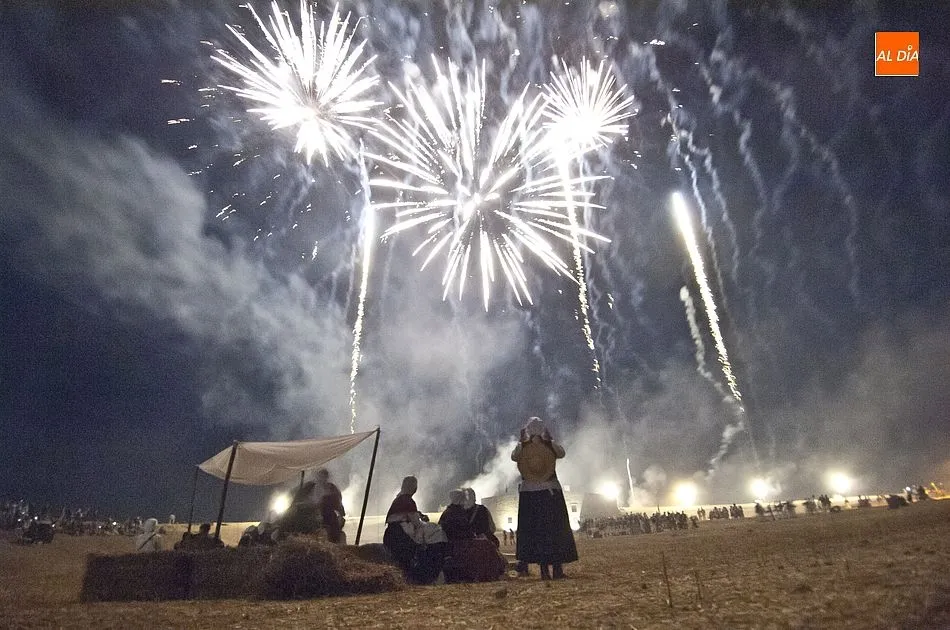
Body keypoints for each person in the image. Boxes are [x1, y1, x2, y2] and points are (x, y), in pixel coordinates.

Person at [511, 416, 578, 580]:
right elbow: (561, 453)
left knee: (536, 533)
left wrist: (522, 441)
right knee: (555, 532)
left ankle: (544, 571)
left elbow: (514, 456)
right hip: (550, 493)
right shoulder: (549, 444)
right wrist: (550, 439)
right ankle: (557, 569)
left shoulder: (523, 446)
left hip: (530, 495)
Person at [383, 476, 447, 584]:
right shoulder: (408, 501)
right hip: (401, 537)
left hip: (392, 535)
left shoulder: (398, 499)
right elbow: (416, 523)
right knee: (436, 534)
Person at [313, 469, 346, 543]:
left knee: (334, 533)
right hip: (319, 515)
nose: (322, 479)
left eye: (324, 476)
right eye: (320, 476)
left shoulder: (332, 487)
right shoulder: (316, 488)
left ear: (326, 477)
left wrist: (341, 515)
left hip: (330, 515)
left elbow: (338, 502)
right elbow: (315, 502)